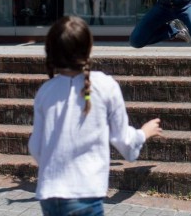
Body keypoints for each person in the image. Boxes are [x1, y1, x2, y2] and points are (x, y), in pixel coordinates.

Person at [28, 15, 162, 216]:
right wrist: (144, 133)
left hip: (50, 193)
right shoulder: (105, 85)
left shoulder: (45, 91)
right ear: (89, 48)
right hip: (85, 192)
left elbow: (35, 146)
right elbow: (123, 140)